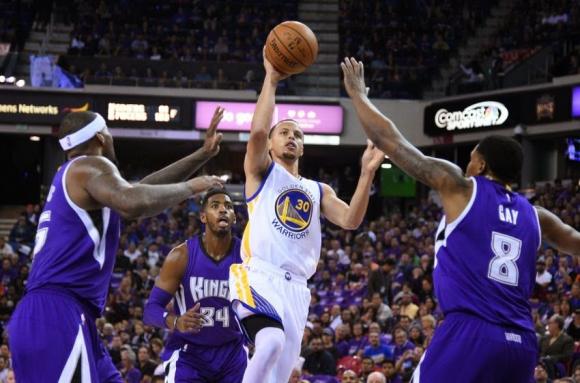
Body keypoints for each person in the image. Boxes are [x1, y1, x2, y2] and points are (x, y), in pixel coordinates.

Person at [340, 57, 580, 382]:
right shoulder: (538, 217)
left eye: (470, 160)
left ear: (480, 166)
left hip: (470, 332)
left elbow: (391, 142)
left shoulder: (462, 188)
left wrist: (358, 94)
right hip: (522, 343)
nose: (467, 166)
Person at [8, 107, 226, 382]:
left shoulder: (77, 174)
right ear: (101, 137)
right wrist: (193, 187)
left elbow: (141, 189)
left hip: (61, 315)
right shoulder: (90, 166)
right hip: (57, 313)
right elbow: (133, 202)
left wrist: (202, 155)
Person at [229, 50, 385, 383]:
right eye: (284, 132)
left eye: (297, 135)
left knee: (278, 375)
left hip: (297, 290)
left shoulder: (318, 190)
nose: (291, 137)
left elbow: (350, 220)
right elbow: (256, 133)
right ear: (271, 144)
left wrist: (366, 174)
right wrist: (271, 79)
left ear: (303, 147)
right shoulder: (261, 173)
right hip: (259, 276)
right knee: (269, 343)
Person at [143, 187, 247, 382]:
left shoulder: (247, 257)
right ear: (203, 217)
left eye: (228, 206)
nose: (223, 210)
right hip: (189, 354)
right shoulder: (181, 256)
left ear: (234, 217)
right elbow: (150, 310)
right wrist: (176, 321)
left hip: (232, 353)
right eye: (215, 206)